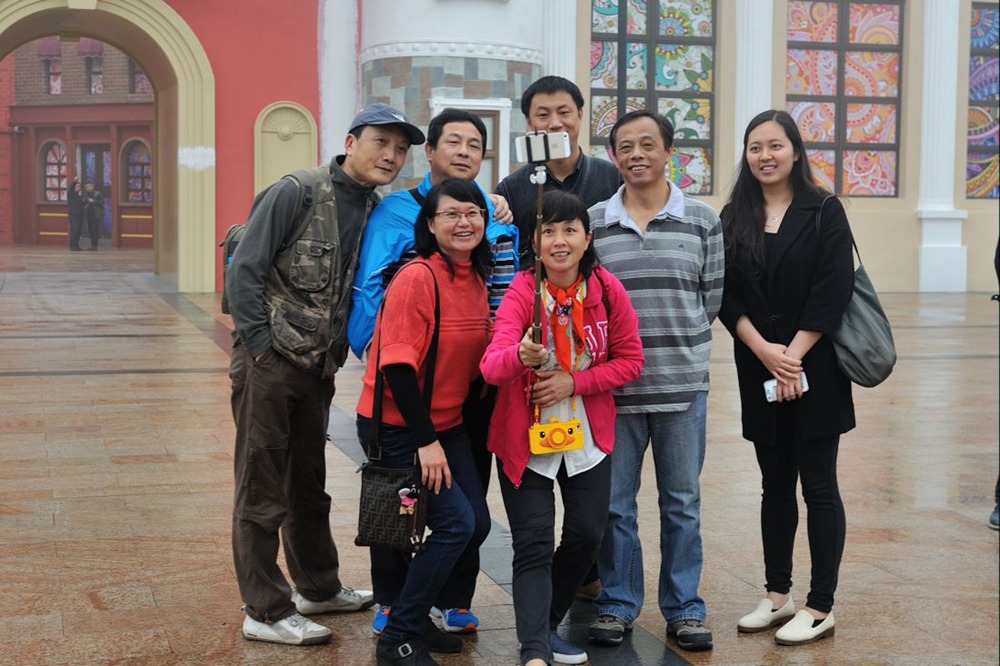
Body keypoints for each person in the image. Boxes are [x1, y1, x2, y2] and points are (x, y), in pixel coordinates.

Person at [226, 103, 425, 646]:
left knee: (308, 486)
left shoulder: (375, 207)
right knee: (262, 488)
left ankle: (317, 587)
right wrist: (260, 350)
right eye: (381, 142)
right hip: (271, 364)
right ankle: (264, 609)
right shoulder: (297, 191)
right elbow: (246, 270)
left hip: (318, 368)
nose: (391, 155)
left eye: (400, 148)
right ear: (351, 141)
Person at [348, 108, 518, 636]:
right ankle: (397, 608)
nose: (464, 151)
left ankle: (440, 601)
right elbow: (371, 288)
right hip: (403, 411)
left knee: (467, 519)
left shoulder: (480, 253)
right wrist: (375, 350)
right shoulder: (411, 250)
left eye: (475, 144)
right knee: (403, 513)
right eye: (454, 141)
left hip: (457, 404)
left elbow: (501, 305)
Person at [480, 190, 644, 666]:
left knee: (587, 534)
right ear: (534, 241)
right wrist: (520, 355)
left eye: (569, 230)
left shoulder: (607, 290)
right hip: (525, 440)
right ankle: (535, 648)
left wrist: (575, 381)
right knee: (533, 542)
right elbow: (492, 365)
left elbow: (631, 360)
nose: (559, 241)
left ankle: (546, 623)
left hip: (587, 438)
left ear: (587, 238)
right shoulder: (521, 292)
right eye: (548, 230)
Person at [587, 110, 724, 652]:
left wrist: (678, 350)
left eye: (648, 144)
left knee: (681, 504)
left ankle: (685, 608)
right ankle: (618, 603)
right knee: (614, 506)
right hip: (613, 393)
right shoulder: (594, 223)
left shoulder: (701, 220)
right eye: (625, 146)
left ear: (669, 152)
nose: (636, 154)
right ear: (614, 156)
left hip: (682, 389)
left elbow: (709, 300)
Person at [718, 109, 855, 646]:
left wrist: (792, 358)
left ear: (795, 151)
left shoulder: (823, 209)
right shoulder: (734, 215)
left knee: (819, 487)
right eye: (755, 147)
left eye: (775, 145)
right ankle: (778, 596)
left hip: (815, 366)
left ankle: (820, 606)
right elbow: (726, 294)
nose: (765, 156)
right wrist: (763, 351)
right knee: (774, 485)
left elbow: (833, 288)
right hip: (758, 366)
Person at [356, 178, 493, 666]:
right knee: (454, 525)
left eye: (473, 213)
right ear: (430, 225)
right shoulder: (418, 277)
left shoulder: (475, 278)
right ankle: (399, 635)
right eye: (451, 214)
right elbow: (395, 367)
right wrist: (425, 441)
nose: (464, 222)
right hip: (401, 425)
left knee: (475, 522)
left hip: (447, 423)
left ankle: (413, 617)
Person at [495, 75, 621, 269]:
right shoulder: (511, 189)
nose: (555, 123)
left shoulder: (614, 178)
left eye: (564, 112)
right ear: (529, 122)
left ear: (580, 115)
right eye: (543, 115)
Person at [82, 183, 104, 250]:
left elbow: (102, 202)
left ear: (93, 186)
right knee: (90, 229)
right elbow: (83, 203)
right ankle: (92, 244)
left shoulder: (98, 194)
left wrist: (94, 201)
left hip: (96, 214)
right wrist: (85, 201)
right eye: (86, 187)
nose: (88, 188)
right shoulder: (85, 194)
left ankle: (94, 245)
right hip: (88, 213)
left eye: (89, 186)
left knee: (95, 229)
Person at [67, 179, 84, 251]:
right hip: (73, 215)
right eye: (77, 186)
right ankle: (72, 246)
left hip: (80, 216)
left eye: (79, 187)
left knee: (78, 232)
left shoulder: (79, 196)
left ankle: (77, 246)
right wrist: (74, 182)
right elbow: (70, 190)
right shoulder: (71, 195)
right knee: (74, 230)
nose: (78, 188)